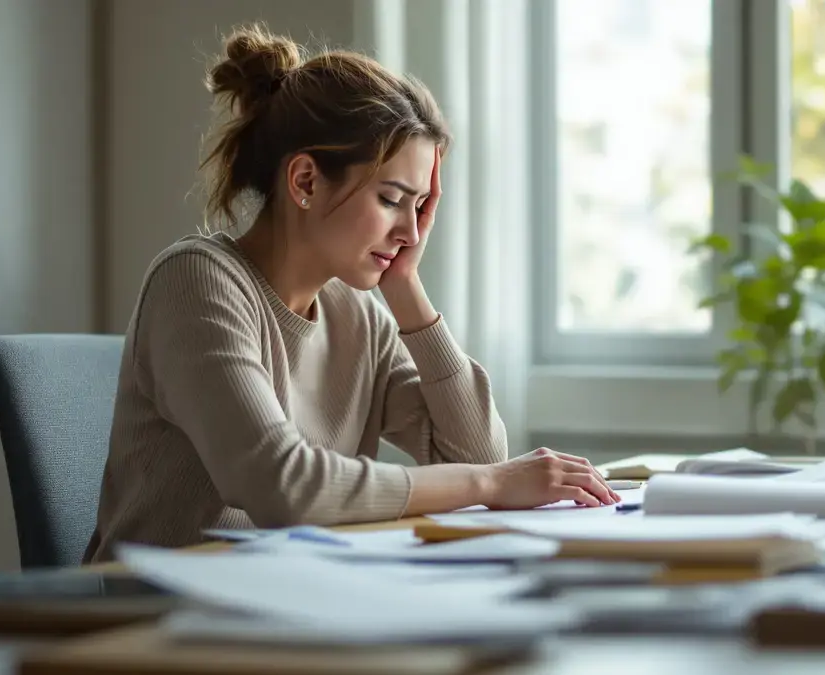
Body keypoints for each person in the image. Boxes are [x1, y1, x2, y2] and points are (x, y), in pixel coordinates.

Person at [83, 24, 619, 562]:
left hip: (285, 601)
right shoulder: (196, 281)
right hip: (152, 612)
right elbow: (283, 487)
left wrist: (406, 287)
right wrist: (486, 485)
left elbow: (478, 450)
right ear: (306, 182)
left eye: (421, 208)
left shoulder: (357, 316)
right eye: (392, 199)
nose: (411, 232)